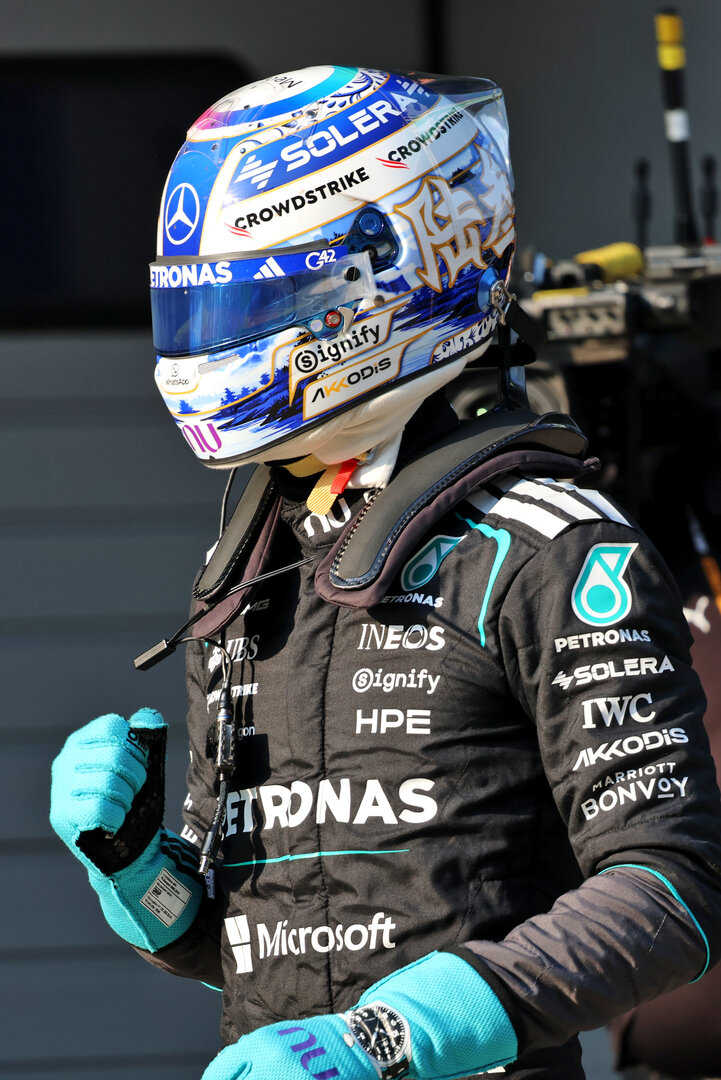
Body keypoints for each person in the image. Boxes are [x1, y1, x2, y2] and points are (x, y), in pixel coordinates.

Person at [49, 66, 721, 1080]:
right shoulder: (253, 553)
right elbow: (233, 942)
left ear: (392, 270)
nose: (219, 338)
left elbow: (673, 891)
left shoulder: (550, 541)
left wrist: (385, 1042)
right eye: (204, 303)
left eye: (261, 297)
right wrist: (140, 871)